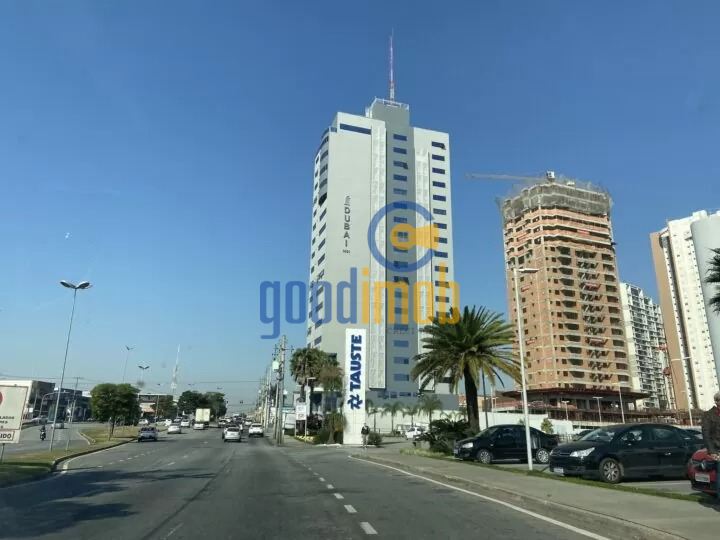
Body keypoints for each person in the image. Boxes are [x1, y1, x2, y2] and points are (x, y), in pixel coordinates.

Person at [701, 391, 720, 460]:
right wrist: (712, 451)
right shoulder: (708, 415)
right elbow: (706, 435)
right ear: (717, 402)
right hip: (717, 451)